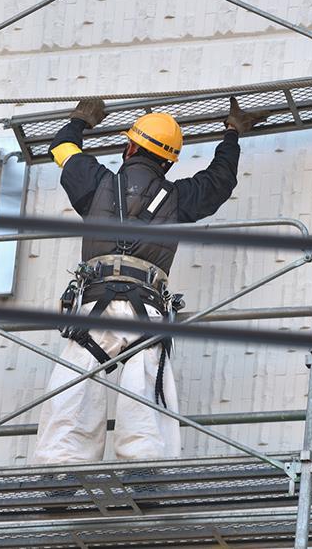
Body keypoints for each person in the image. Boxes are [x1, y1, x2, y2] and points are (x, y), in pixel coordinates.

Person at [32, 97, 267, 463]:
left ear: (129, 147)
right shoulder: (178, 198)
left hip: (93, 305)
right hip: (147, 307)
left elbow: (62, 148)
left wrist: (82, 119)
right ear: (169, 161)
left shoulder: (95, 184)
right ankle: (144, 467)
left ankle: (60, 468)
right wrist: (231, 133)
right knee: (143, 384)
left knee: (76, 382)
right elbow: (220, 181)